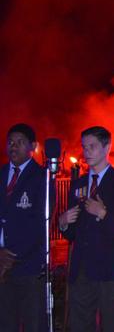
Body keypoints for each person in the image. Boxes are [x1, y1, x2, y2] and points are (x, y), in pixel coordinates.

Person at [59, 126, 114, 332]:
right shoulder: (78, 184)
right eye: (84, 147)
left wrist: (103, 214)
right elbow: (74, 233)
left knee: (112, 324)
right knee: (79, 324)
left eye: (92, 146)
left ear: (106, 147)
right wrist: (64, 223)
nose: (87, 152)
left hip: (108, 270)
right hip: (81, 269)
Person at [0, 123, 53, 331]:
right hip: (1, 267)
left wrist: (11, 256)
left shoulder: (42, 177)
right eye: (10, 142)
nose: (13, 146)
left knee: (33, 324)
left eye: (20, 142)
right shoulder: (2, 173)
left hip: (29, 267)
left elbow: (41, 223)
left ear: (33, 146)